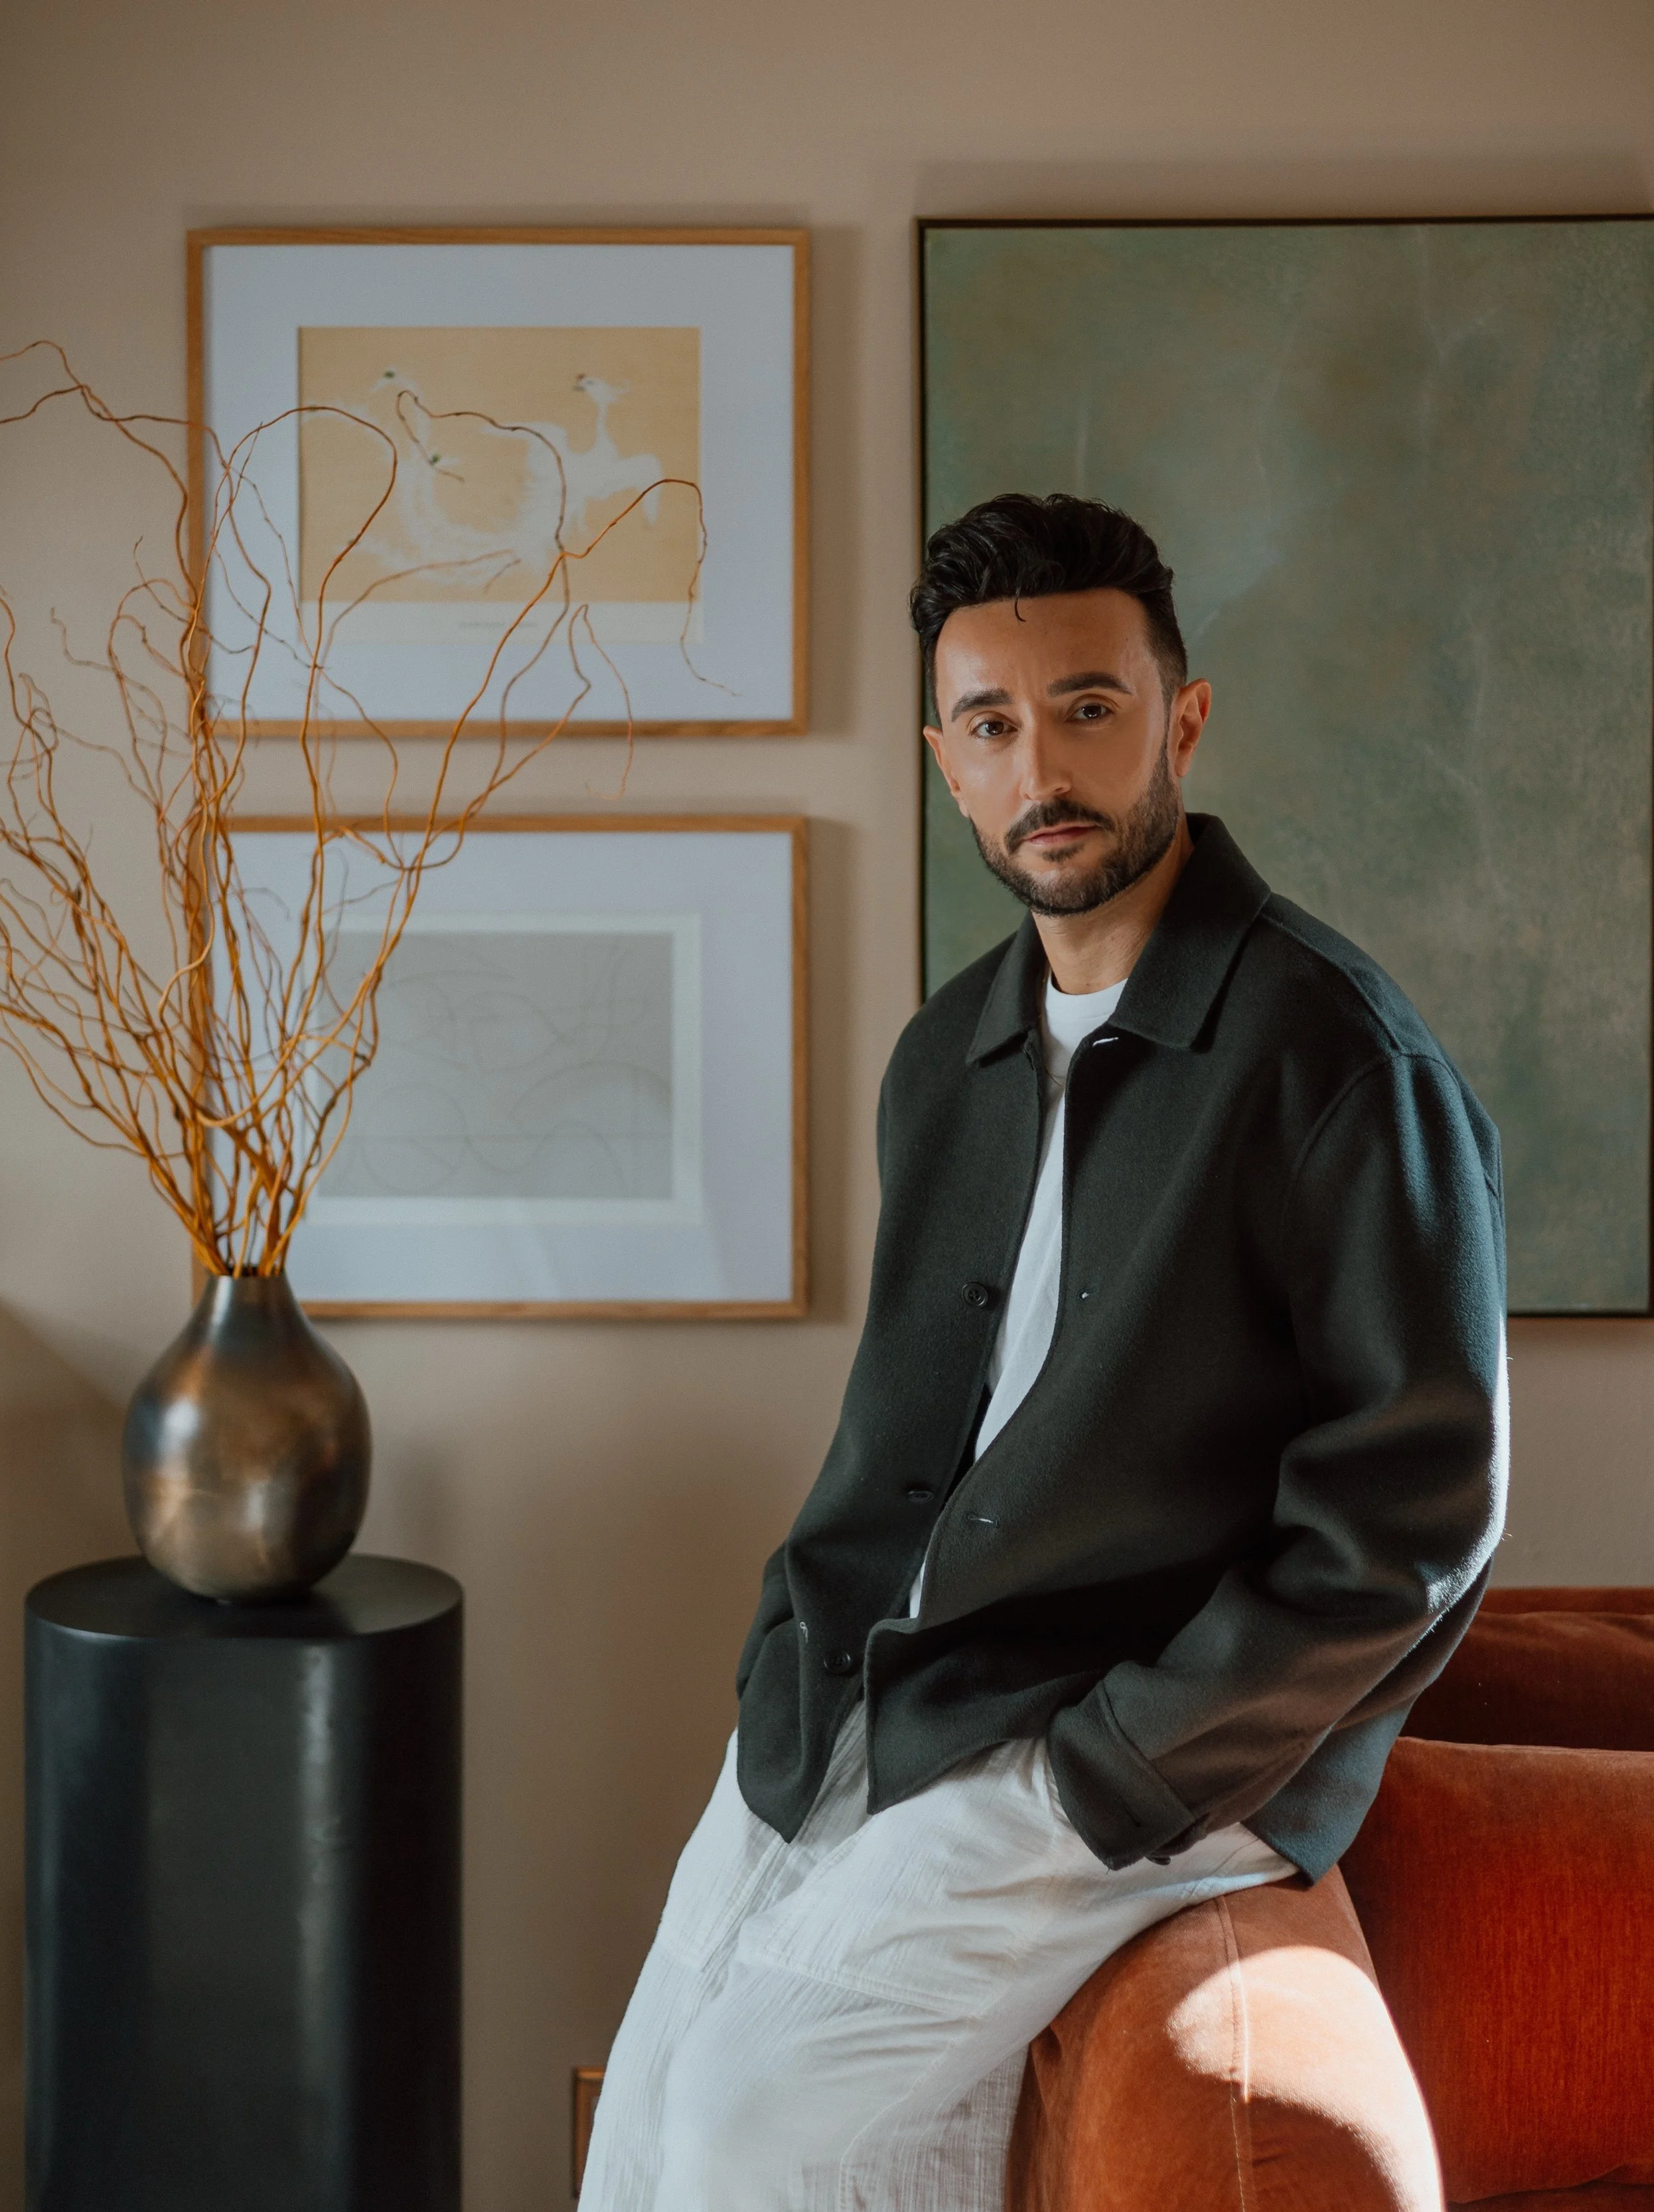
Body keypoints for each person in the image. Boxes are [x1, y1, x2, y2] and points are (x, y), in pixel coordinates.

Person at [579, 492, 1507, 2212]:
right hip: (868, 1686)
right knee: (646, 2123)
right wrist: (800, 1643)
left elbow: (1413, 1515)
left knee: (745, 2119)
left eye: (1086, 706)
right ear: (944, 756)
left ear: (1181, 715)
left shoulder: (1328, 1051)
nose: (1042, 765)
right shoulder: (950, 1052)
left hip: (1121, 1729)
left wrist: (1125, 1763)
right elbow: (923, 1438)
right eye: (993, 724)